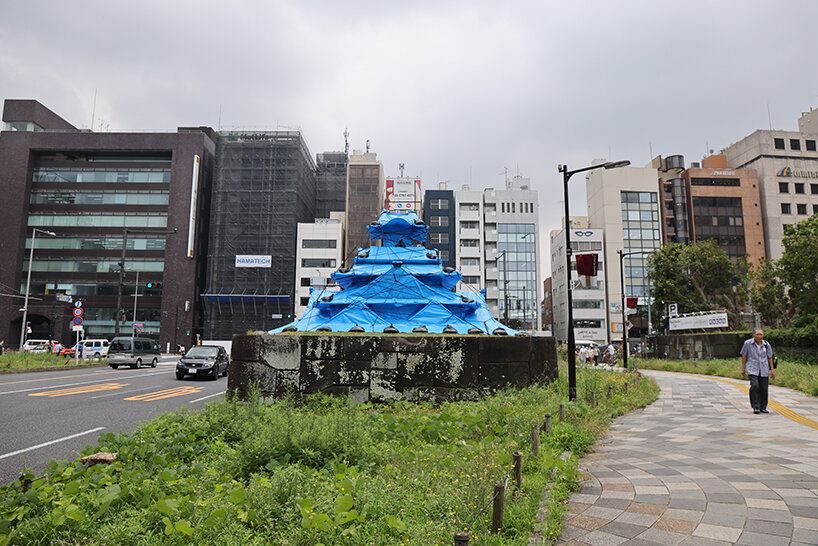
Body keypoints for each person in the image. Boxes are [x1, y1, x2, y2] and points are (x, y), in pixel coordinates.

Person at [741, 328, 775, 414]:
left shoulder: (766, 344)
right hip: (752, 368)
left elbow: (770, 357)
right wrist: (743, 368)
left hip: (764, 369)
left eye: (761, 334)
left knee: (764, 389)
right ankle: (755, 406)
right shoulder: (747, 344)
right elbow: (744, 356)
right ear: (753, 335)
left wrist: (772, 371)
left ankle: (763, 407)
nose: (759, 336)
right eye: (757, 334)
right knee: (755, 386)